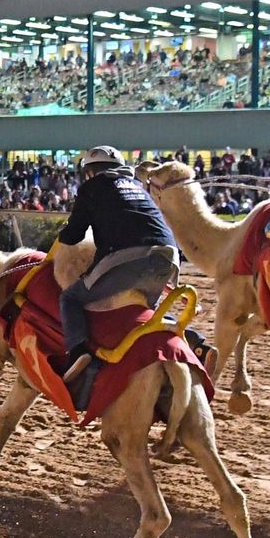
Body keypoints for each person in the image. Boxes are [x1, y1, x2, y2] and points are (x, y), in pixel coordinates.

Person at [57, 146, 179, 383]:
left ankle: (78, 352)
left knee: (70, 298)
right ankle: (194, 342)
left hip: (129, 258)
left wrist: (62, 234)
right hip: (169, 258)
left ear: (89, 172)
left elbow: (73, 236)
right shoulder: (137, 186)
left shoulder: (92, 187)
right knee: (149, 312)